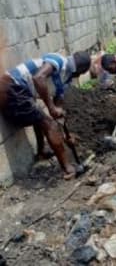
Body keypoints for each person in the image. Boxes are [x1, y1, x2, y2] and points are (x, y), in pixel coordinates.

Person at [0, 51, 91, 180]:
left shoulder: (66, 78)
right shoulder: (59, 61)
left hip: (20, 93)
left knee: (40, 117)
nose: (78, 76)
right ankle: (67, 168)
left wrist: (65, 134)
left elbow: (58, 106)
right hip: (10, 89)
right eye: (80, 73)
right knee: (48, 124)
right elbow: (38, 78)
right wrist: (51, 107)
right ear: (80, 70)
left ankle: (41, 152)